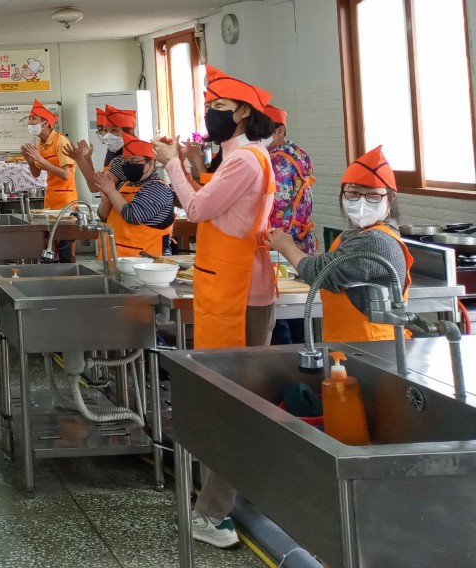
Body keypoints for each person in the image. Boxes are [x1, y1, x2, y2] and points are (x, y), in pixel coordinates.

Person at [152, 65, 276, 551]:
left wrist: (171, 166)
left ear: (243, 113)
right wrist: (188, 162)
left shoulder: (244, 160)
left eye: (219, 108)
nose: (211, 114)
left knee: (225, 406)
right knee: (236, 401)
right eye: (209, 107)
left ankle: (211, 512)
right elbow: (219, 203)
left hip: (234, 293)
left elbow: (199, 209)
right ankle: (226, 498)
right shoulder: (246, 156)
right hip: (239, 286)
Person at [268, 146, 412, 342]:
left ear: (391, 198)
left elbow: (320, 272)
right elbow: (335, 262)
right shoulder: (357, 234)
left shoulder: (376, 241)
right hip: (350, 345)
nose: (361, 203)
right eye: (353, 194)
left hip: (374, 346)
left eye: (372, 196)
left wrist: (286, 247)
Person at [263, 104, 316, 344]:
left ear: (279, 130)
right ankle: (305, 355)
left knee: (279, 311)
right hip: (303, 244)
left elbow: (277, 208)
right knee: (300, 310)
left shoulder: (275, 162)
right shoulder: (298, 152)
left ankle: (285, 361)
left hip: (279, 244)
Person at [95, 133, 175, 257]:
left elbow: (133, 216)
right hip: (115, 259)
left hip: (146, 262)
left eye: (134, 161)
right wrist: (106, 203)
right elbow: (104, 218)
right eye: (126, 162)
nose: (129, 166)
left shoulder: (157, 188)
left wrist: (111, 192)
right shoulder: (124, 184)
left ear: (151, 162)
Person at [20, 99, 77, 261]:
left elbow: (66, 174)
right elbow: (36, 173)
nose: (30, 122)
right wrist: (30, 161)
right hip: (50, 199)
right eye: (29, 119)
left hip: (66, 201)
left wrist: (41, 160)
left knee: (65, 249)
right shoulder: (40, 143)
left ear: (45, 123)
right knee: (50, 247)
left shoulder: (61, 141)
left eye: (34, 119)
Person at [70, 105, 139, 194]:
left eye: (114, 130)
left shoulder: (129, 157)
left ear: (129, 132)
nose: (107, 136)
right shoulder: (114, 152)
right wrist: (87, 158)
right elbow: (95, 183)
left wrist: (79, 159)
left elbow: (95, 187)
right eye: (105, 130)